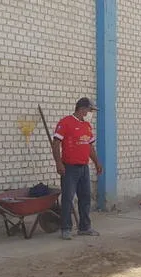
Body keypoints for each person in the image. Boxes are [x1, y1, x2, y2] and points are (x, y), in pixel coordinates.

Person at [52, 97, 103, 240]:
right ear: (83, 109)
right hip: (69, 168)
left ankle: (84, 227)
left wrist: (97, 162)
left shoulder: (87, 126)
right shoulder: (65, 123)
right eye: (90, 110)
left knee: (85, 197)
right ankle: (66, 228)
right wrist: (58, 163)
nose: (90, 113)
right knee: (68, 198)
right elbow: (56, 144)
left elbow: (90, 146)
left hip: (84, 167)